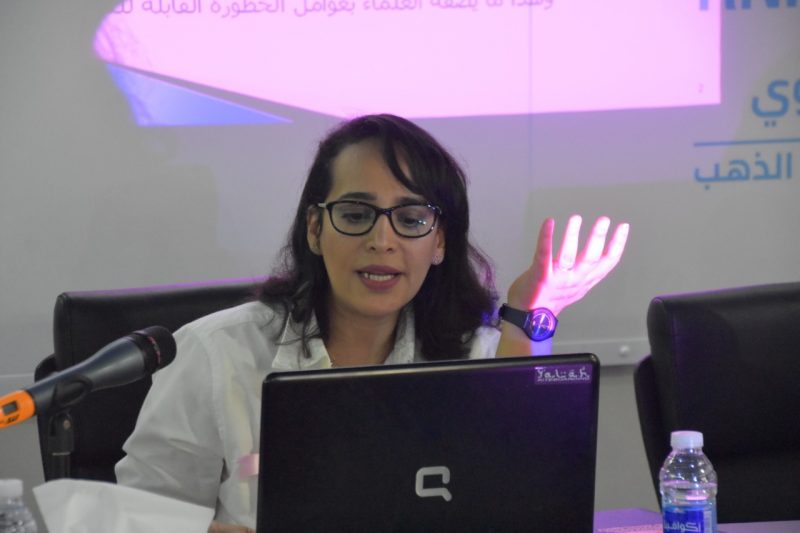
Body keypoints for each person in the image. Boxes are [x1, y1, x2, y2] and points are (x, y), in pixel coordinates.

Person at [115, 114, 629, 532]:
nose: (382, 241)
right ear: (315, 229)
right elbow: (136, 517)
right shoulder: (216, 353)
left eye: (411, 219)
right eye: (357, 214)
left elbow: (527, 493)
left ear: (439, 243)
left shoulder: (473, 354)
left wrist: (527, 317)